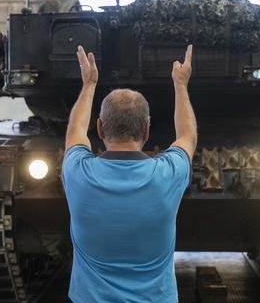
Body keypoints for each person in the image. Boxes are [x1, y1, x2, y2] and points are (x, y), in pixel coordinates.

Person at [62, 45, 197, 302]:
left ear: (100, 128)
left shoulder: (78, 173)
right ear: (146, 131)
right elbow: (187, 137)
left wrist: (89, 84)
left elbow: (75, 133)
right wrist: (180, 85)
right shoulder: (167, 174)